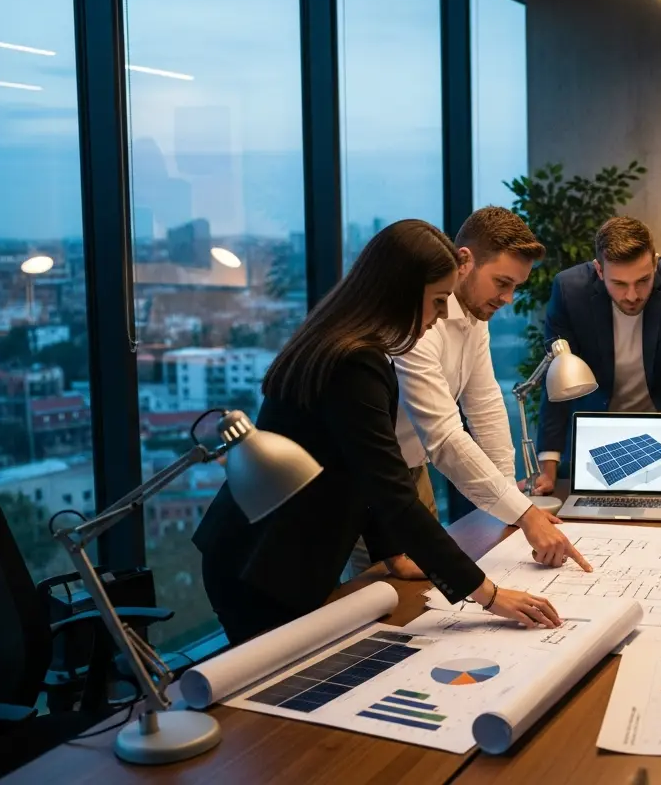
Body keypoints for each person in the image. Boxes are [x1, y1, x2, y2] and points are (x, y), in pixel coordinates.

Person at [194, 220, 561, 645]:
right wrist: (489, 595)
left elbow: (366, 470)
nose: (443, 315)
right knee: (271, 674)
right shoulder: (353, 363)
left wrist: (392, 554)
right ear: (402, 289)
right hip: (261, 562)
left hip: (274, 551)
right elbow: (391, 491)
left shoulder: (354, 346)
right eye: (438, 301)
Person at [343, 207, 589, 578]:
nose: (508, 298)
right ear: (465, 261)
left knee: (429, 584)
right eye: (502, 282)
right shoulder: (416, 320)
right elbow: (444, 436)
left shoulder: (477, 316)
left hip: (414, 467)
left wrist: (512, 504)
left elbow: (485, 406)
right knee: (381, 591)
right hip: (370, 473)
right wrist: (523, 514)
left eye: (515, 287)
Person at [532, 216, 661, 494]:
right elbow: (556, 380)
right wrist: (547, 470)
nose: (633, 295)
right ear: (599, 270)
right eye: (620, 284)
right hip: (596, 439)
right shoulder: (569, 290)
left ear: (655, 263)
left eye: (643, 280)